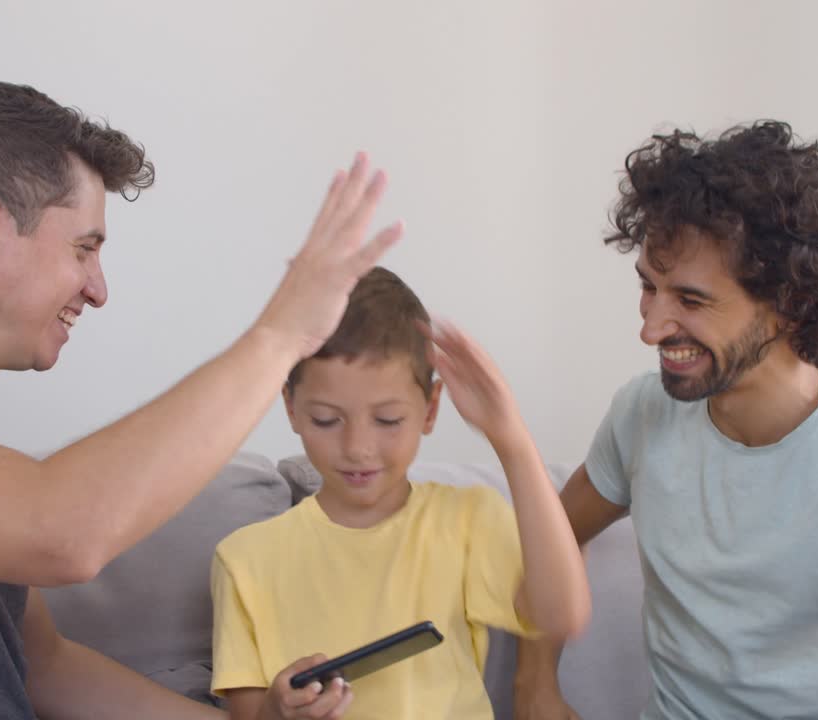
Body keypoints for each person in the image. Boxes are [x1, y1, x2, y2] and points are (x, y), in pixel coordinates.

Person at [0, 79, 402, 719]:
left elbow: (44, 665)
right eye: (84, 249)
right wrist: (281, 336)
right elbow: (61, 533)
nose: (98, 289)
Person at [513, 121, 818, 720]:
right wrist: (535, 685)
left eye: (690, 300)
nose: (651, 328)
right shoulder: (642, 413)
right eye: (649, 288)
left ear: (791, 304)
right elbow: (552, 534)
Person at [210, 266, 592, 720]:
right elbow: (248, 714)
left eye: (388, 420)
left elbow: (563, 614)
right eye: (326, 420)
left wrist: (511, 439)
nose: (358, 448)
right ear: (291, 408)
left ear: (430, 410)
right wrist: (278, 710)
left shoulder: (465, 519)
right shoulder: (245, 560)